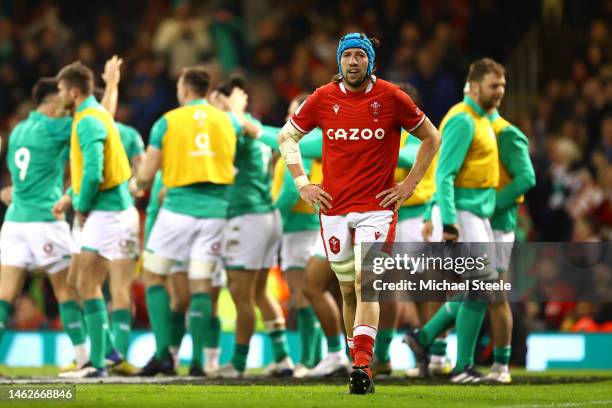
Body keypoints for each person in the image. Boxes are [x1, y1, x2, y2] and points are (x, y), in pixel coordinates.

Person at [278, 32, 440, 394]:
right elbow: (286, 137)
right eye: (348, 56)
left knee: (369, 287)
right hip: (334, 209)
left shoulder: (392, 97)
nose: (353, 62)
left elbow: (432, 137)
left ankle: (362, 366)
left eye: (360, 56)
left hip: (377, 210)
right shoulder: (322, 98)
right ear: (339, 61)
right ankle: (358, 360)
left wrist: (409, 185)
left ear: (371, 62)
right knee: (348, 290)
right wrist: (303, 183)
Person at [133, 67, 254, 377]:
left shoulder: (168, 121)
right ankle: (199, 362)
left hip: (177, 209)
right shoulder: (227, 121)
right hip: (216, 212)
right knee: (202, 285)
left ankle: (164, 354)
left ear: (184, 91)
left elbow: (147, 175)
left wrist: (138, 181)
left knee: (154, 276)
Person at [406, 58, 506, 384]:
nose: (500, 91)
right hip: (461, 212)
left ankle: (423, 339)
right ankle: (462, 366)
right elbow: (445, 174)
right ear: (475, 86)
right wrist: (448, 222)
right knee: (481, 289)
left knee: (474, 288)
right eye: (494, 85)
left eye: (503, 85)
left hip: (476, 212)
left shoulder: (480, 120)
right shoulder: (462, 120)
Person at [0, 78, 86, 374]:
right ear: (51, 102)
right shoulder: (53, 127)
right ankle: (84, 358)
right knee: (66, 291)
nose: (66, 109)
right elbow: (92, 123)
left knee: (3, 296)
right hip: (44, 220)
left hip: (13, 221)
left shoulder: (17, 130)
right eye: (63, 102)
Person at [211, 78, 294, 378]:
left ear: (224, 100)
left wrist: (231, 112)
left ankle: (238, 363)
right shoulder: (255, 125)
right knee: (259, 292)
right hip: (266, 215)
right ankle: (283, 357)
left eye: (215, 100)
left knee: (241, 294)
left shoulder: (234, 125)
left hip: (245, 216)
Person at [55, 61, 133, 378]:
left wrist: (82, 206)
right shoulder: (95, 114)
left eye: (61, 89)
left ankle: (97, 364)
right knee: (77, 280)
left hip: (105, 209)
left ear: (73, 92)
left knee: (87, 283)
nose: (59, 93)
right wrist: (112, 83)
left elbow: (93, 171)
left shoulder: (87, 120)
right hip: (107, 207)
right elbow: (107, 110)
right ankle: (109, 351)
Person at [485, 95, 536, 383]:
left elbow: (527, 178)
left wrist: (492, 204)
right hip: (487, 224)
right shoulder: (478, 131)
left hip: (503, 225)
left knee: (501, 294)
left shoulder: (506, 134)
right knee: (483, 292)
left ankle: (514, 357)